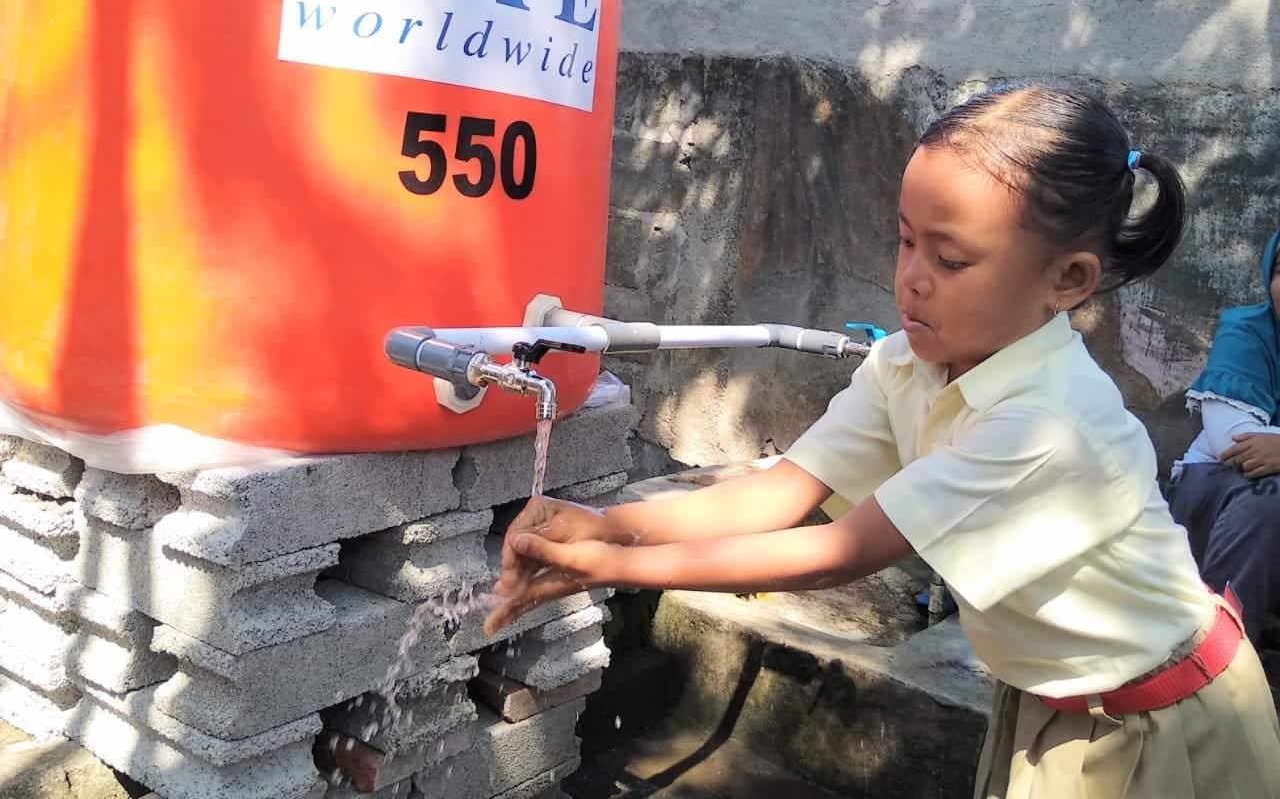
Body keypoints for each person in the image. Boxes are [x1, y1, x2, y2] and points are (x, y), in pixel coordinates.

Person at [485, 86, 1280, 797]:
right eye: (906, 241)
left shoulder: (1048, 422)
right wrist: (608, 523)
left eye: (952, 257)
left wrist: (617, 568)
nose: (911, 278)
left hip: (1164, 724)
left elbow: (841, 551)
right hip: (1056, 698)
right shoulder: (907, 363)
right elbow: (785, 490)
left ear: (1067, 282)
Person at [1168, 228, 1280, 647]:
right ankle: (1215, 655)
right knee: (1271, 496)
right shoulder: (1248, 330)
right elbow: (1233, 442)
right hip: (1219, 491)